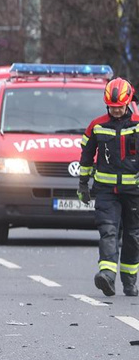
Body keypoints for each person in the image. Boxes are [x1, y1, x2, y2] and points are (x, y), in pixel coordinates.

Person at [77, 78, 139, 297]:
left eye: (119, 107)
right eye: (112, 107)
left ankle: (129, 282)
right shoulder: (97, 126)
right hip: (106, 191)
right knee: (108, 231)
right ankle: (107, 276)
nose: (116, 111)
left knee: (133, 237)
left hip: (134, 193)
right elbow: (86, 157)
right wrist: (83, 184)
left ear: (128, 103)